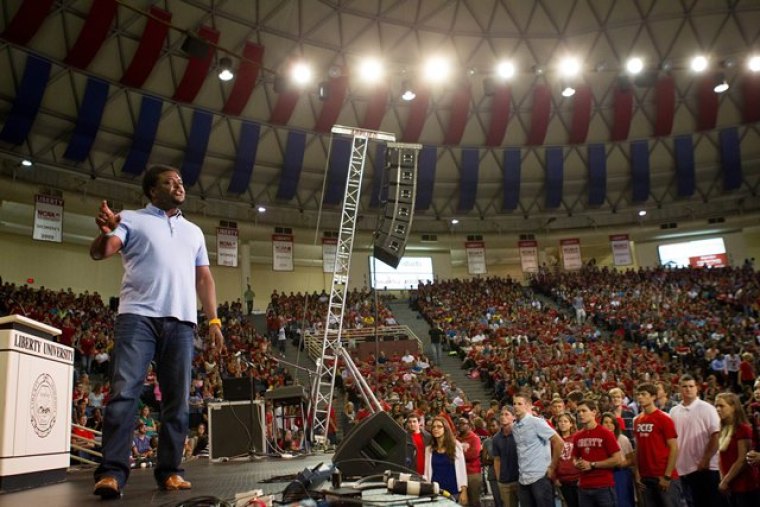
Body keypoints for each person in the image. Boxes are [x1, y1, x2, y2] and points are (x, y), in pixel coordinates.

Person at [90, 164, 225, 499]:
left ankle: (170, 472)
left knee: (177, 402)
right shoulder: (131, 219)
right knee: (124, 394)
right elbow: (101, 252)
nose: (178, 185)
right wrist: (107, 231)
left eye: (180, 181)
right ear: (152, 190)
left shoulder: (194, 231)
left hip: (181, 322)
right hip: (138, 318)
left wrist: (214, 320)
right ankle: (111, 473)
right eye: (169, 182)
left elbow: (204, 279)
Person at [668, 374, 721, 507]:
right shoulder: (673, 411)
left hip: (704, 467)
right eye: (684, 386)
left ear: (697, 388)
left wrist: (706, 459)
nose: (688, 389)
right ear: (678, 388)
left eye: (691, 386)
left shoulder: (707, 408)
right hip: (681, 468)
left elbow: (716, 436)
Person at [632, 383, 681, 507]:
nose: (640, 397)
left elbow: (674, 447)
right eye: (638, 394)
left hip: (662, 475)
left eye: (643, 394)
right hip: (645, 477)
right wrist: (637, 474)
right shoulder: (637, 420)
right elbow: (638, 448)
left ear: (653, 397)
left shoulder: (664, 418)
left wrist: (667, 476)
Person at [511, 393, 564, 507]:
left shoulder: (537, 422)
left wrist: (552, 467)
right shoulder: (514, 427)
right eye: (514, 403)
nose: (515, 406)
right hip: (523, 479)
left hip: (540, 477)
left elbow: (559, 442)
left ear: (528, 406)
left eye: (519, 404)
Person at [572, 400, 622, 507]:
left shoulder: (606, 433)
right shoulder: (577, 436)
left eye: (584, 411)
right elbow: (574, 457)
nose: (580, 414)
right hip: (584, 487)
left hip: (603, 486)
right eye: (578, 412)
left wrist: (592, 464)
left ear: (594, 412)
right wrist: (576, 463)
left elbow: (617, 459)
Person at [714, 392, 759, 507]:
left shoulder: (743, 428)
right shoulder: (723, 428)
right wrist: (723, 480)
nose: (718, 409)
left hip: (744, 485)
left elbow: (742, 460)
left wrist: (725, 481)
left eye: (722, 406)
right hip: (730, 484)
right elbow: (721, 457)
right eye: (716, 406)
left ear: (733, 407)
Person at [424, 416, 468, 504]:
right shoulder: (429, 449)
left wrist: (464, 491)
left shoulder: (456, 446)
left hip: (453, 491)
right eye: (434, 427)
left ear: (445, 429)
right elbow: (427, 473)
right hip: (436, 492)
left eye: (439, 426)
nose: (436, 429)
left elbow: (462, 470)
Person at [600, 412, 635, 507]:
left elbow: (631, 459)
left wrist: (621, 464)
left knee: (623, 501)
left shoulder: (622, 439)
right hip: (604, 474)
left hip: (621, 473)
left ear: (615, 425)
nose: (608, 425)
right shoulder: (599, 440)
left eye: (611, 422)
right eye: (605, 422)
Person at [492, 405, 519, 507]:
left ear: (514, 417)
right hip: (505, 482)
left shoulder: (520, 433)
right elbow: (497, 459)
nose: (503, 416)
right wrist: (499, 479)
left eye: (506, 414)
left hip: (521, 479)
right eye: (501, 414)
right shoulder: (496, 438)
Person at [555, 412, 581, 507]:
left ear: (571, 424)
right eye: (560, 421)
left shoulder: (577, 437)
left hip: (578, 479)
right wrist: (555, 478)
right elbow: (552, 460)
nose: (562, 423)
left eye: (565, 421)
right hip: (563, 481)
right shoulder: (555, 440)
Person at [457, 417, 483, 507]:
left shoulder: (475, 438)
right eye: (458, 424)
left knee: (474, 501)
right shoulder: (456, 439)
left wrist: (459, 456)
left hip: (473, 473)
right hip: (460, 473)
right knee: (463, 502)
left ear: (469, 425)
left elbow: (473, 455)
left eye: (463, 424)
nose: (460, 426)